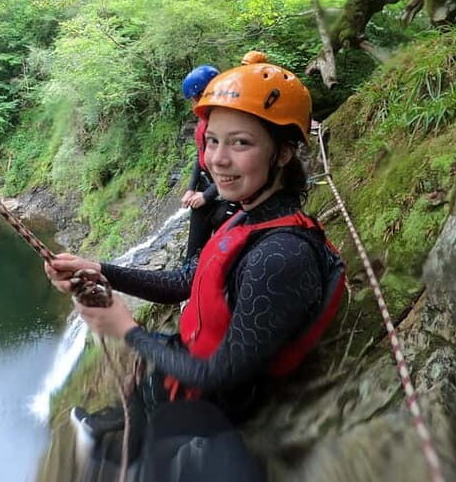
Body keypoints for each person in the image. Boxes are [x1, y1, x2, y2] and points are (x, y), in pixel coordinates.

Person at [45, 55, 347, 479]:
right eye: (213, 141)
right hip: (189, 373)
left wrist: (128, 331)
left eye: (240, 143)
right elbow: (185, 282)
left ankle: (120, 456)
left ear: (282, 153)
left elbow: (220, 375)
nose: (216, 160)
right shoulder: (245, 215)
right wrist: (98, 267)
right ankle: (117, 442)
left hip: (219, 403)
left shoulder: (280, 257)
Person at [179, 65, 235, 261]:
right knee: (192, 256)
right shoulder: (205, 121)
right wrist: (190, 189)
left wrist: (207, 195)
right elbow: (200, 157)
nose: (194, 105)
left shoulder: (230, 122)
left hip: (227, 193)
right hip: (206, 187)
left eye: (195, 98)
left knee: (223, 255)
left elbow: (235, 167)